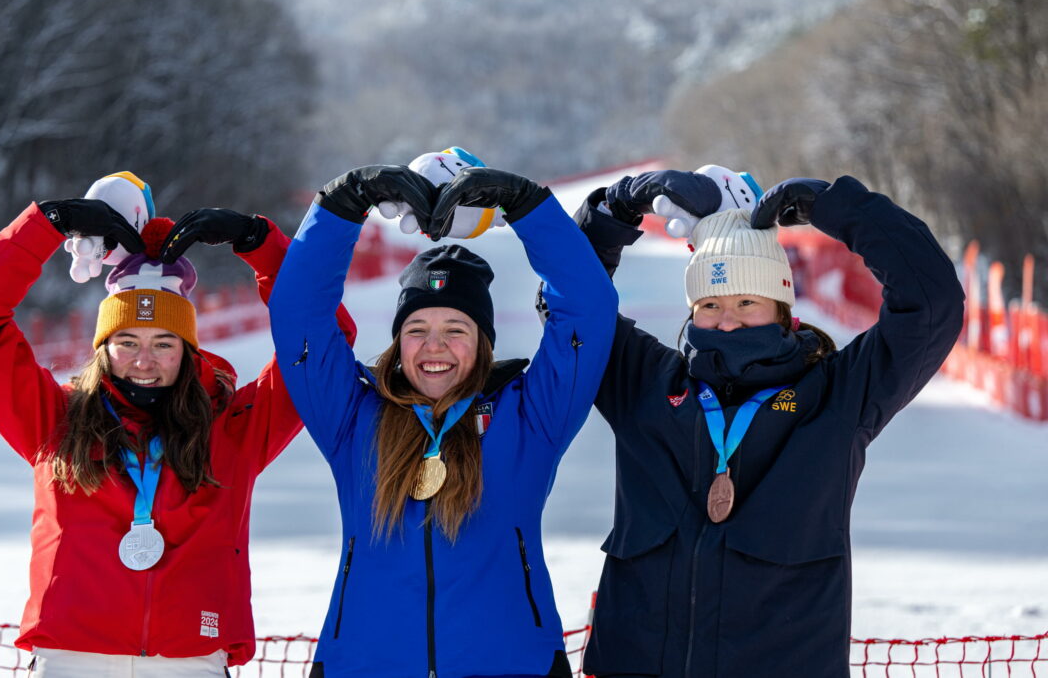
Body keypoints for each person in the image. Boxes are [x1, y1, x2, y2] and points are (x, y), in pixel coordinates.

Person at [0, 195, 354, 676]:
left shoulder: (236, 427)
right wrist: (47, 225)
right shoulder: (54, 421)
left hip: (192, 661)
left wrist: (260, 244)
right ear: (103, 347)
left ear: (189, 349)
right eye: (127, 342)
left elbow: (323, 342)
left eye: (163, 343)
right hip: (73, 659)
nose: (144, 360)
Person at [572, 172, 965, 678]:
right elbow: (572, 309)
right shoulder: (646, 384)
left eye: (746, 303)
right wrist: (616, 208)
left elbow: (932, 305)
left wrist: (841, 210)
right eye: (710, 305)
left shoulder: (837, 395)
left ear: (781, 309)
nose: (727, 320)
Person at [267, 164, 618, 678]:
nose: (434, 347)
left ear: (482, 344)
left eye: (456, 328)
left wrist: (527, 206)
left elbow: (588, 312)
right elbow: (299, 316)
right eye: (417, 328)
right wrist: (343, 204)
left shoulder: (530, 417)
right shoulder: (353, 419)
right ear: (397, 341)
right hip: (362, 667)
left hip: (514, 666)